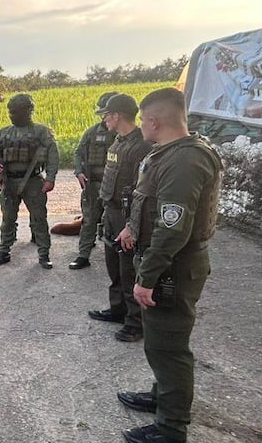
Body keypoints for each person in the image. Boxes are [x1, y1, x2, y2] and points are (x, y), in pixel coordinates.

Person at [116, 88, 223, 443]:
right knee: (160, 341)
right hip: (164, 260)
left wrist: (146, 277)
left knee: (169, 348)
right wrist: (132, 226)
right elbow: (151, 203)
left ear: (153, 121)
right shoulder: (170, 153)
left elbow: (173, 228)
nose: (140, 126)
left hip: (172, 267)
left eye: (142, 120)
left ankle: (171, 428)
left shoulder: (184, 160)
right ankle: (161, 397)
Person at [85, 93, 153, 342]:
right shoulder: (118, 142)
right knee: (113, 264)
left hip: (127, 215)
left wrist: (132, 225)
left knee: (129, 269)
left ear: (117, 115)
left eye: (106, 115)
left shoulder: (141, 146)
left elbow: (142, 191)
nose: (104, 119)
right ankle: (118, 310)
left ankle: (135, 323)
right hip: (112, 211)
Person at [0, 94, 60, 269]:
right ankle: (4, 251)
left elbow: (53, 155)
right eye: (11, 112)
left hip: (33, 181)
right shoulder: (4, 133)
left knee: (39, 219)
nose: (13, 115)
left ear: (28, 111)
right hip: (9, 182)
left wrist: (50, 178)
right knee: (7, 219)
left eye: (17, 112)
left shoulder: (41, 132)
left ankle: (44, 254)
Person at [70, 92, 118, 269]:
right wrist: (79, 172)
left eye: (107, 113)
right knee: (89, 220)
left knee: (116, 221)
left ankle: (118, 256)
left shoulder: (128, 135)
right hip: (93, 184)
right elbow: (78, 153)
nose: (104, 117)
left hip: (117, 187)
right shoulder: (91, 133)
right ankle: (84, 255)